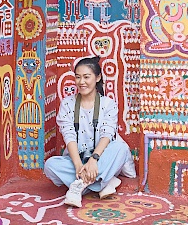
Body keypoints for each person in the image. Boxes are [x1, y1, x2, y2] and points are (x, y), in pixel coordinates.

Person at [44, 56, 136, 208]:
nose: (81, 82)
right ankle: (103, 182)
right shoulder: (67, 104)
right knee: (50, 165)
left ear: (98, 77)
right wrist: (79, 165)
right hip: (78, 159)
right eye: (78, 77)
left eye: (86, 77)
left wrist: (94, 159)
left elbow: (107, 134)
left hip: (102, 157)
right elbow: (69, 136)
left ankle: (79, 185)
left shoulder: (108, 104)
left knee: (120, 149)